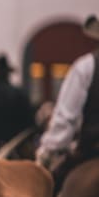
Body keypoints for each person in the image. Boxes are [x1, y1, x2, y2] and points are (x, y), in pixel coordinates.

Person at [37, 15, 99, 174]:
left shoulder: (86, 66)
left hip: (91, 152)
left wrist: (48, 150)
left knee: (52, 190)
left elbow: (66, 118)